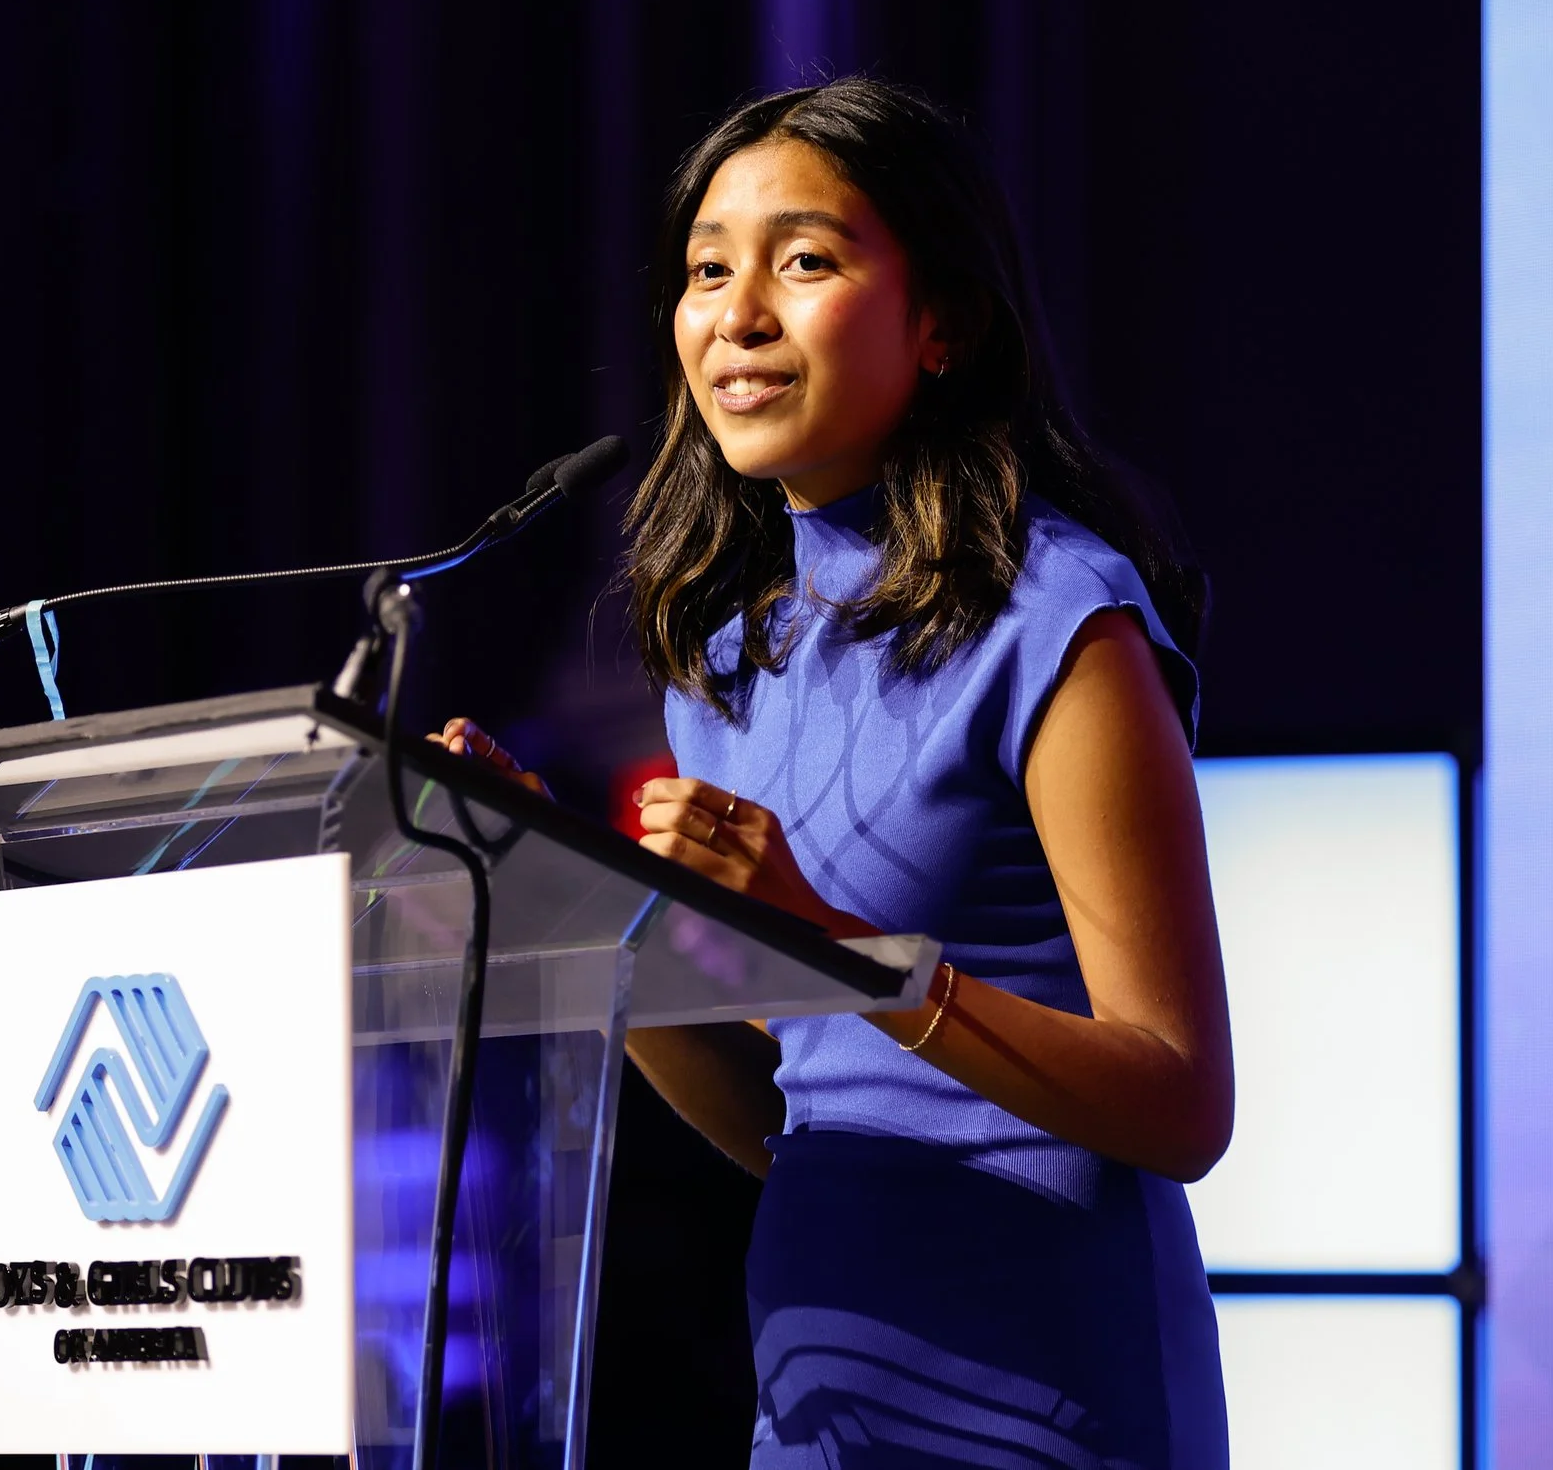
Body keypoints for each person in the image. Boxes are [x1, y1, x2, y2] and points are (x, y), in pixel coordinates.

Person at [442, 77, 1232, 1469]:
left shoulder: (1062, 624)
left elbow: (1180, 1099)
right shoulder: (729, 661)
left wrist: (838, 939)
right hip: (822, 1403)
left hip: (1048, 1404)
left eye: (802, 260)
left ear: (945, 323)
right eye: (706, 269)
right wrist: (559, 900)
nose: (737, 312)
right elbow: (788, 1116)